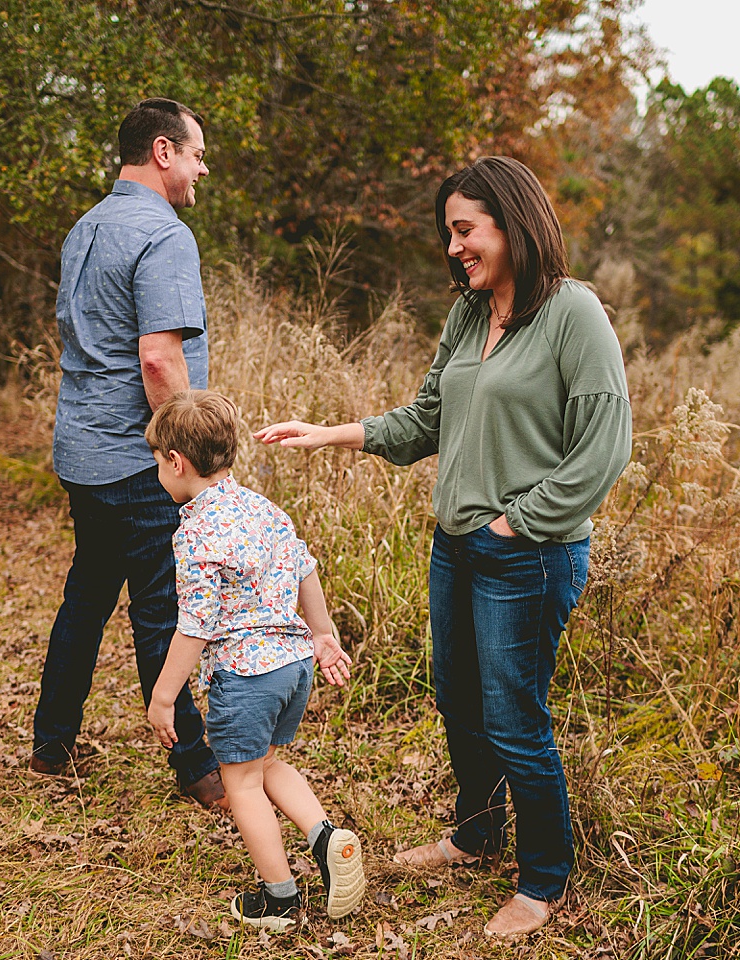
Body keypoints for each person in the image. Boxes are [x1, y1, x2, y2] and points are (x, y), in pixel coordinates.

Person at [255, 156, 632, 937]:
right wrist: (334, 433)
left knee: (514, 717)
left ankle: (543, 881)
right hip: (456, 547)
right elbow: (427, 418)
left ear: (512, 222)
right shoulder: (468, 314)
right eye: (448, 233)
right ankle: (477, 834)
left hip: (526, 555)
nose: (455, 246)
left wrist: (515, 522)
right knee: (458, 699)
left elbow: (604, 448)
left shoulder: (573, 314)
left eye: (466, 229)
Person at [31, 98, 227, 810]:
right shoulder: (164, 234)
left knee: (85, 597)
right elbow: (156, 359)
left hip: (83, 452)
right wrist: (190, 452)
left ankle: (51, 745)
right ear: (163, 151)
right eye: (197, 153)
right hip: (140, 460)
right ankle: (199, 771)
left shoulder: (87, 227)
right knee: (163, 612)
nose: (203, 167)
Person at [144, 390, 366, 930]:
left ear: (177, 462)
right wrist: (322, 632)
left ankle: (280, 897)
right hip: (293, 665)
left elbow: (195, 624)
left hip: (246, 676)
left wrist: (163, 695)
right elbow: (305, 568)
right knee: (265, 763)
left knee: (239, 782)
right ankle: (325, 838)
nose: (157, 471)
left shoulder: (194, 534)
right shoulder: (263, 508)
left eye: (156, 461)